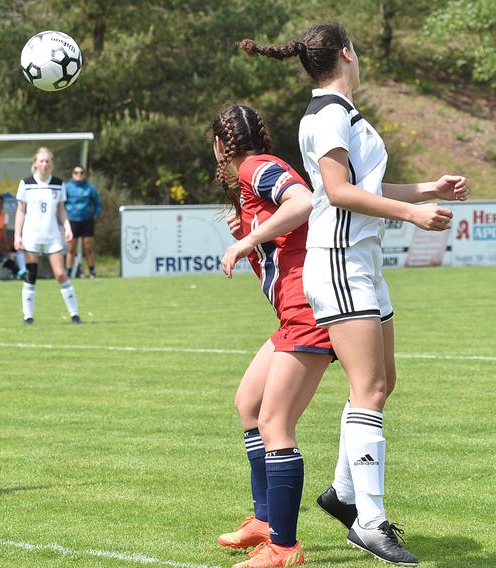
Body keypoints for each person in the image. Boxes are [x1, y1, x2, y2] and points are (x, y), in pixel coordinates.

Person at [239, 24, 468, 566]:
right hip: (340, 264)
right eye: (356, 49)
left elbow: (362, 187)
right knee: (367, 389)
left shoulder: (336, 112)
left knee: (382, 383)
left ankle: (343, 492)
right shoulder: (330, 114)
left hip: (361, 262)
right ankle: (368, 520)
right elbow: (339, 194)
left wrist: (426, 190)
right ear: (346, 54)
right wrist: (414, 213)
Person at [211, 104, 334, 568]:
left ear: (221, 145)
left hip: (307, 311)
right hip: (293, 314)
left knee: (275, 423)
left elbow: (302, 201)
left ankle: (284, 547)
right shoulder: (255, 173)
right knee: (248, 404)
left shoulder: (254, 167)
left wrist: (244, 241)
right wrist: (251, 232)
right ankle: (264, 521)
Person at [13, 147, 81, 325]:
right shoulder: (26, 183)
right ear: (35, 163)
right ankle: (28, 317)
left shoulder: (58, 184)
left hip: (52, 237)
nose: (44, 164)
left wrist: (67, 227)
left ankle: (75, 314)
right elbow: (21, 211)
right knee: (31, 274)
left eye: (47, 161)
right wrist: (17, 236)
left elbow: (61, 210)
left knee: (60, 274)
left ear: (52, 164)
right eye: (41, 161)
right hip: (31, 237)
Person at [64, 165, 101, 278]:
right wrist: (64, 219)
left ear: (84, 175)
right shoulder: (67, 187)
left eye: (81, 173)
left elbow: (98, 204)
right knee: (71, 248)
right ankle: (69, 273)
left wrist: (95, 215)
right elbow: (62, 204)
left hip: (87, 221)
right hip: (72, 221)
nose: (78, 175)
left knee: (88, 247)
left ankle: (92, 271)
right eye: (76, 172)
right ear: (72, 174)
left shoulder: (90, 188)